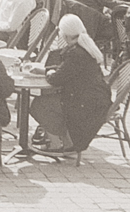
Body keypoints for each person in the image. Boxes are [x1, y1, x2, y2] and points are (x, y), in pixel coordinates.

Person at [30, 14, 112, 154]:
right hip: (97, 99)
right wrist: (46, 70)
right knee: (51, 102)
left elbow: (56, 79)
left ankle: (57, 144)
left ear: (65, 36)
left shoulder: (75, 53)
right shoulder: (86, 47)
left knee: (39, 105)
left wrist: (48, 73)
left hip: (86, 104)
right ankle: (66, 141)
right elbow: (67, 71)